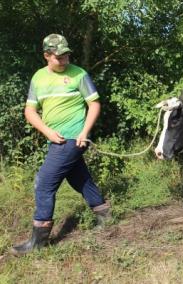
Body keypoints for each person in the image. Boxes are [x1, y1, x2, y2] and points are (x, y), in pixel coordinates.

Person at [11, 34, 111, 256]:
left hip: (74, 138)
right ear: (47, 56)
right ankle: (103, 213)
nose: (65, 60)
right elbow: (30, 111)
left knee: (44, 183)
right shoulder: (38, 78)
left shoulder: (79, 74)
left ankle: (38, 240)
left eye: (67, 55)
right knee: (78, 177)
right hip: (55, 139)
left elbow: (94, 104)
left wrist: (84, 132)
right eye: (59, 57)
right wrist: (47, 131)